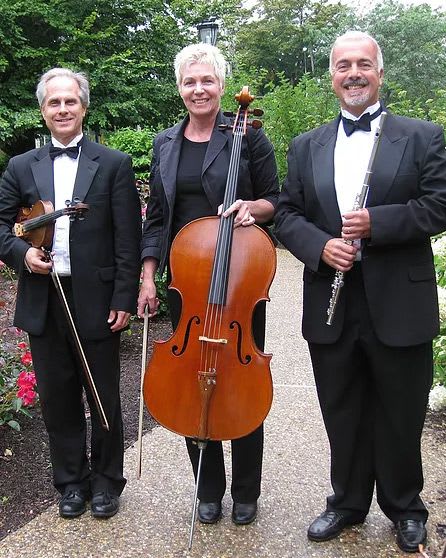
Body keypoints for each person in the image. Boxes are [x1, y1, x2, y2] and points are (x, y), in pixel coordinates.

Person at [274, 31, 446, 553]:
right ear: (331, 74)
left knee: (400, 409)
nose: (353, 73)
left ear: (379, 72)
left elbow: (441, 205)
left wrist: (378, 222)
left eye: (363, 65)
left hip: (399, 299)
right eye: (343, 65)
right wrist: (321, 246)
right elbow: (286, 214)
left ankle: (405, 506)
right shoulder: (306, 145)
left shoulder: (422, 136)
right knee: (342, 407)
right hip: (332, 299)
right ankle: (347, 502)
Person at [137, 43, 279, 526]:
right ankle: (207, 488)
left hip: (238, 281)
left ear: (222, 85)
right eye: (189, 81)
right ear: (179, 88)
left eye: (207, 80)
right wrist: (148, 274)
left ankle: (245, 491)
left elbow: (276, 200)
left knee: (240, 382)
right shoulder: (165, 144)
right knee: (189, 382)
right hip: (189, 285)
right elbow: (157, 216)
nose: (198, 89)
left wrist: (252, 208)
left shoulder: (248, 137)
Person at [0, 68, 142, 519]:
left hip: (98, 300)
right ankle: (71, 484)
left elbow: (127, 239)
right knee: (58, 398)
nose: (62, 109)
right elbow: (3, 227)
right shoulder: (21, 166)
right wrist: (23, 254)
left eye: (70, 101)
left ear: (84, 106)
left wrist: (123, 297)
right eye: (53, 103)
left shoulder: (114, 163)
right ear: (43, 111)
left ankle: (106, 482)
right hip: (44, 298)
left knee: (103, 395)